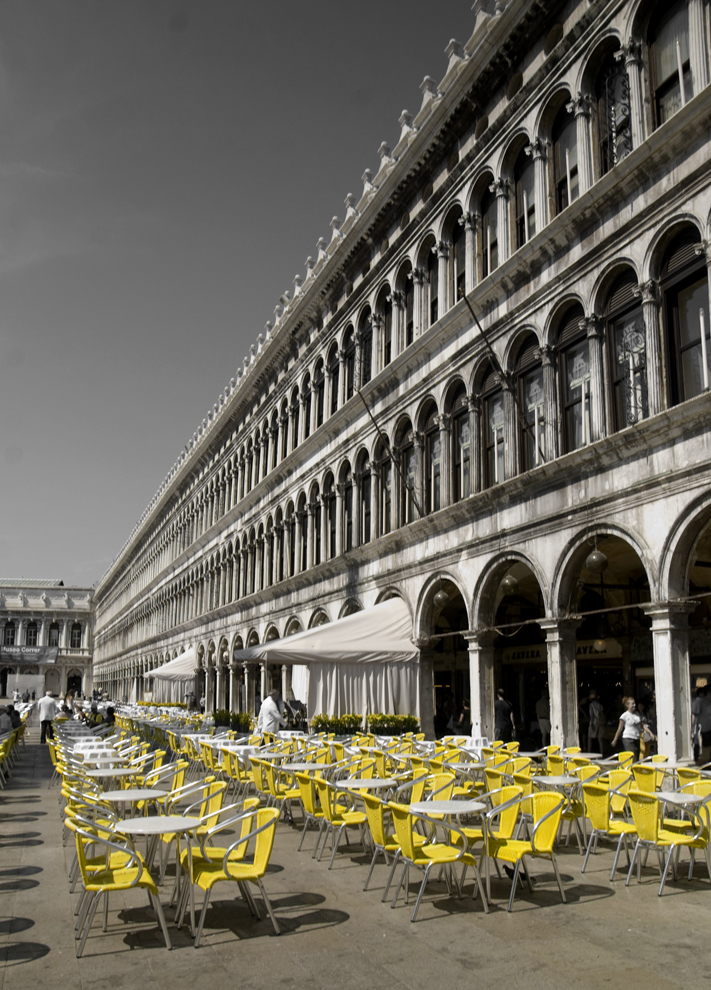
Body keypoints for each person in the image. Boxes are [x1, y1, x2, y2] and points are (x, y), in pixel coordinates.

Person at [610, 696, 643, 762]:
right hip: (628, 738)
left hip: (636, 738)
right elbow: (620, 729)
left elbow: (642, 725)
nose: (634, 705)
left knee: (637, 756)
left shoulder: (637, 714)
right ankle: (631, 771)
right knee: (633, 757)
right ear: (627, 705)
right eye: (632, 704)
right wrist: (615, 740)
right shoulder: (624, 715)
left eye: (634, 703)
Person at [692, 685, 711, 765]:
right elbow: (693, 716)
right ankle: (694, 769)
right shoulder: (699, 702)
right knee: (704, 757)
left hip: (709, 732)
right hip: (703, 732)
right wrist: (691, 730)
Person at [586, 689, 605, 755]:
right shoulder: (600, 705)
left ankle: (588, 753)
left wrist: (591, 724)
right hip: (600, 722)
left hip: (594, 723)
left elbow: (592, 716)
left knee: (590, 739)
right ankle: (602, 753)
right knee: (600, 739)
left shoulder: (591, 705)